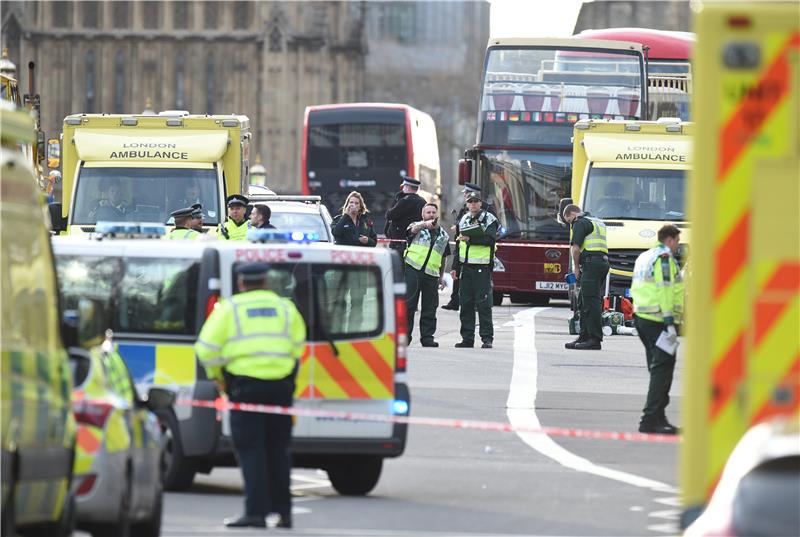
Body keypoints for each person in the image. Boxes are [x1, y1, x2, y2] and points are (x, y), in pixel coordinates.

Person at [194, 262, 307, 529]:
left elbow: (206, 349)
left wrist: (218, 378)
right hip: (280, 388)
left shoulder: (230, 309)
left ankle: (255, 513)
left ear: (242, 283)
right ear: (266, 282)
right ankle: (284, 513)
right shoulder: (285, 308)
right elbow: (299, 345)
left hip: (245, 389)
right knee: (278, 450)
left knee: (251, 450)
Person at [631, 224, 683, 435]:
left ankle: (659, 416)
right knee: (662, 368)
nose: (678, 245)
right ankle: (650, 418)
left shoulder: (645, 256)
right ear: (669, 239)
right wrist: (670, 321)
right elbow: (665, 289)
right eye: (677, 241)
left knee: (658, 366)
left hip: (642, 317)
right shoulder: (663, 258)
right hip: (658, 318)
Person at [453, 190, 499, 349]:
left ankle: (487, 338)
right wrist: (455, 267)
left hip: (482, 268)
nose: (472, 204)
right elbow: (459, 245)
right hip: (465, 268)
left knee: (483, 304)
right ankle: (467, 338)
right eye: (470, 202)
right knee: (465, 304)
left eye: (475, 201)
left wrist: (471, 239)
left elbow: (490, 240)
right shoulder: (464, 218)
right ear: (467, 204)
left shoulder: (489, 219)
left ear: (481, 203)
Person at [442, 183, 496, 311]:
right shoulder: (464, 210)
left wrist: (471, 238)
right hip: (463, 250)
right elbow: (459, 224)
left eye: (473, 199)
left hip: (481, 259)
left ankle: (477, 304)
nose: (470, 202)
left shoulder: (488, 211)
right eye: (469, 200)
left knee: (480, 292)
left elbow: (491, 235)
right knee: (458, 276)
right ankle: (455, 300)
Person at [562, 204, 609, 350]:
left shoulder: (580, 222)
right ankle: (584, 336)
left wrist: (576, 268)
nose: (570, 224)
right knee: (584, 300)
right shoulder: (596, 221)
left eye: (568, 221)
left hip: (591, 265)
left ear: (572, 214)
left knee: (591, 302)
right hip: (601, 263)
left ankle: (594, 339)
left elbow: (575, 248)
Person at [405, 203, 450, 347]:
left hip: (432, 274)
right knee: (408, 306)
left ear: (437, 215)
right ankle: (404, 337)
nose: (431, 214)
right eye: (428, 212)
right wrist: (424, 224)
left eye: (433, 212)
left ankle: (427, 338)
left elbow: (444, 257)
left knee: (430, 307)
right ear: (423, 215)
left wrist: (441, 277)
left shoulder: (444, 235)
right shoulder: (417, 227)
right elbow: (411, 230)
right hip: (413, 270)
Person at [332, 191, 377, 331]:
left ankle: (354, 328)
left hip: (359, 267)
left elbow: (374, 241)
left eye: (357, 203)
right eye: (351, 202)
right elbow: (336, 233)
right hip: (342, 266)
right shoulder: (339, 219)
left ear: (361, 206)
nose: (354, 205)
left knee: (357, 300)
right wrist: (346, 215)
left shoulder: (366, 222)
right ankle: (338, 328)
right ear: (347, 204)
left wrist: (367, 240)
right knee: (339, 300)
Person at [384, 176, 426, 254]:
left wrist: (397, 199)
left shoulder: (405, 200)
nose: (403, 188)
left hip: (400, 242)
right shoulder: (423, 201)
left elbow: (390, 215)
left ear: (408, 187)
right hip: (416, 241)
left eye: (404, 186)